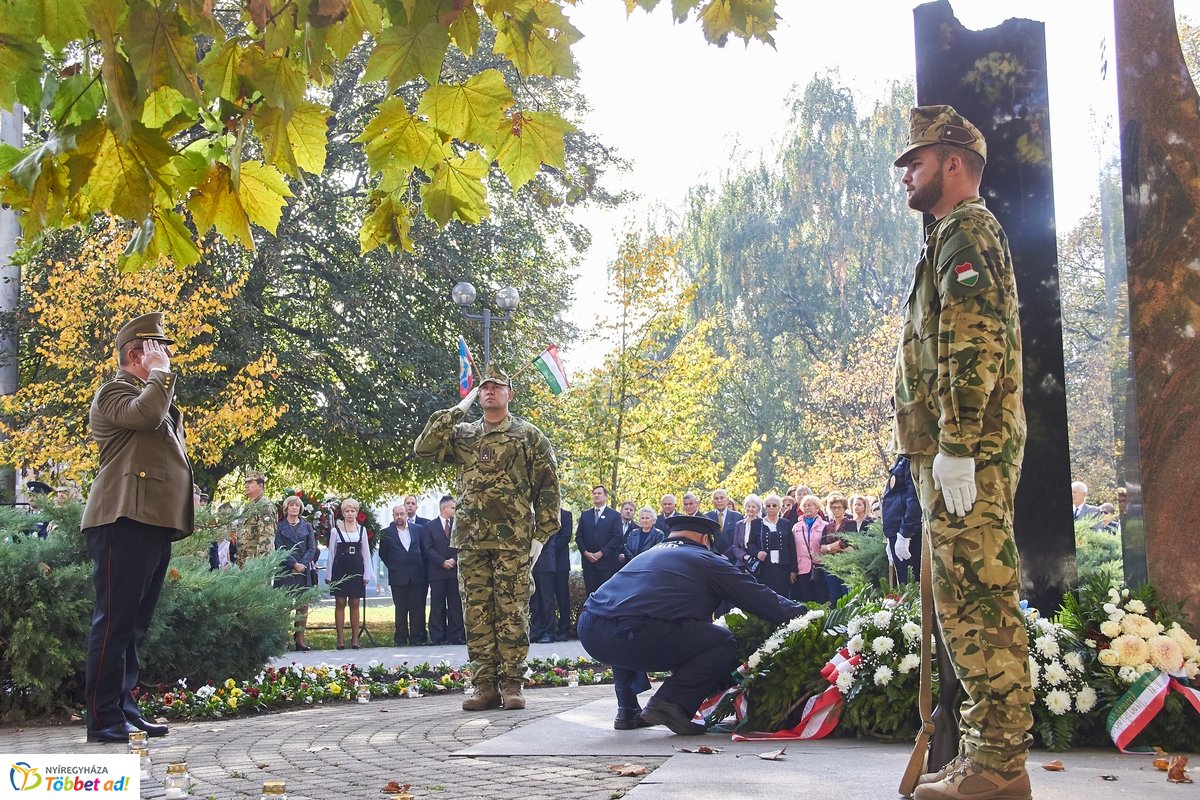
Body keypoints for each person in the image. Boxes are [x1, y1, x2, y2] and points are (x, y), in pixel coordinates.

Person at [893, 105, 1032, 799]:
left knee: (978, 602)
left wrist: (956, 445)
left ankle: (998, 764)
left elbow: (973, 342)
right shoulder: (951, 234)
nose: (905, 176)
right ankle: (990, 759)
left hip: (966, 456)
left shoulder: (967, 230)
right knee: (964, 601)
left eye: (915, 162)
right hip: (958, 455)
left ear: (953, 163)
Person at [414, 362, 560, 712]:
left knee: (513, 612)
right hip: (471, 540)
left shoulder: (528, 435)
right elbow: (425, 447)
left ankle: (511, 685)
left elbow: (548, 488)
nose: (489, 391)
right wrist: (459, 407)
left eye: (496, 387)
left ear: (510, 394)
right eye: (483, 388)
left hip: (514, 540)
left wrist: (541, 535)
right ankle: (484, 687)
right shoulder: (463, 434)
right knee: (476, 614)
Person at [577, 514, 808, 734]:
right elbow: (757, 597)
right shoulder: (706, 559)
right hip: (637, 633)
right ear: (705, 539)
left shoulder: (647, 555)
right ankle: (669, 703)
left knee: (624, 619)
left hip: (590, 629)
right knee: (721, 641)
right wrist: (804, 614)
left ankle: (627, 710)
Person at [82, 313, 193, 743]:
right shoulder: (114, 391)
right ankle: (103, 718)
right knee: (114, 622)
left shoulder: (153, 397)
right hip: (122, 519)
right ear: (135, 354)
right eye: (156, 349)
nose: (165, 356)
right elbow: (145, 416)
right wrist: (160, 375)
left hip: (150, 520)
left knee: (132, 625)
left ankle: (124, 709)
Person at [378, 504, 428, 646]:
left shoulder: (418, 529)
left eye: (402, 514)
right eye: (396, 514)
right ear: (393, 516)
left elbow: (424, 550)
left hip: (416, 574)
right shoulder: (386, 533)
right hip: (398, 575)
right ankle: (401, 638)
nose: (399, 517)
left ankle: (416, 637)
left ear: (407, 515)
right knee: (400, 608)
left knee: (416, 608)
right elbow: (383, 554)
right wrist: (394, 565)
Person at [326, 497, 373, 649]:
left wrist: (367, 574)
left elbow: (366, 553)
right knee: (340, 602)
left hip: (356, 569)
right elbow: (331, 553)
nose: (350, 513)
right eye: (347, 511)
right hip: (340, 569)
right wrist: (329, 574)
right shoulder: (335, 530)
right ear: (343, 513)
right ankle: (340, 639)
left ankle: (355, 639)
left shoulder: (362, 530)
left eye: (353, 511)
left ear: (357, 513)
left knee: (355, 602)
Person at [420, 495, 465, 646]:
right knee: (437, 604)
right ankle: (437, 636)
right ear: (443, 508)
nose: (454, 510)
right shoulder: (429, 526)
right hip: (437, 572)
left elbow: (461, 545)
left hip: (453, 571)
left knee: (455, 604)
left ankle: (456, 635)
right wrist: (442, 561)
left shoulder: (458, 526)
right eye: (452, 508)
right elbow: (428, 548)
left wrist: (454, 559)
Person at [274, 495, 317, 651]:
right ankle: (283, 640)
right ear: (286, 508)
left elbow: (312, 547)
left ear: (300, 509)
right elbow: (279, 547)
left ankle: (300, 639)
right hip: (285, 570)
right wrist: (293, 564)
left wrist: (302, 564)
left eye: (297, 506)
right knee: (284, 606)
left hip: (303, 571)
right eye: (291, 505)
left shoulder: (307, 526)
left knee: (303, 605)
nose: (294, 508)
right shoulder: (279, 527)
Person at [882, 455, 922, 583]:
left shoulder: (911, 457)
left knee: (912, 584)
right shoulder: (902, 458)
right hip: (897, 531)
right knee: (904, 584)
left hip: (910, 534)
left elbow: (914, 498)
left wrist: (905, 534)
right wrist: (890, 537)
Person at [576, 485, 623, 594]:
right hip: (589, 564)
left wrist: (601, 553)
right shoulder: (585, 515)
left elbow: (617, 537)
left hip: (607, 563)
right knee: (591, 594)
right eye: (594, 493)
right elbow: (579, 536)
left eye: (599, 493)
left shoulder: (614, 515)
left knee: (606, 595)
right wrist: (585, 553)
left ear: (606, 496)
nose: (596, 495)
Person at [750, 494, 795, 598]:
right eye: (768, 505)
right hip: (764, 567)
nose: (771, 508)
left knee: (783, 596)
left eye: (774, 505)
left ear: (779, 507)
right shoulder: (756, 523)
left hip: (783, 567)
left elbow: (791, 548)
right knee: (766, 597)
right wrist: (757, 553)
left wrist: (793, 570)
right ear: (764, 508)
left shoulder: (786, 523)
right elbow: (750, 544)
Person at [236, 469, 277, 566]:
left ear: (260, 485)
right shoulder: (250, 506)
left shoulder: (264, 506)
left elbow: (267, 537)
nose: (246, 485)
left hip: (256, 565)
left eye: (250, 482)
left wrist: (260, 565)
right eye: (246, 482)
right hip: (245, 563)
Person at [529, 519, 558, 644]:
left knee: (546, 600)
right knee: (533, 600)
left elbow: (547, 536)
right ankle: (535, 631)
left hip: (545, 563)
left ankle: (548, 632)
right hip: (530, 564)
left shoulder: (546, 517)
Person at [552, 508, 574, 641]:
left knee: (562, 597)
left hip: (561, 563)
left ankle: (564, 628)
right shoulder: (542, 513)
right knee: (547, 598)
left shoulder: (566, 515)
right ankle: (548, 628)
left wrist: (550, 548)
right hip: (545, 564)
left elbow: (566, 536)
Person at [706, 488, 744, 562]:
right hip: (713, 559)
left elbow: (739, 540)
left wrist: (727, 555)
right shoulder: (707, 517)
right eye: (716, 498)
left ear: (727, 500)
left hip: (733, 559)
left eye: (722, 498)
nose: (719, 501)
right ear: (713, 501)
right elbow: (706, 539)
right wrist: (716, 555)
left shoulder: (737, 517)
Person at [728, 494, 763, 572]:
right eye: (748, 506)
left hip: (758, 563)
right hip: (741, 563)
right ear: (745, 507)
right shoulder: (739, 524)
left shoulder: (762, 524)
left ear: (758, 509)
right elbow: (735, 546)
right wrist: (744, 556)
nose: (750, 509)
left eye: (753, 507)